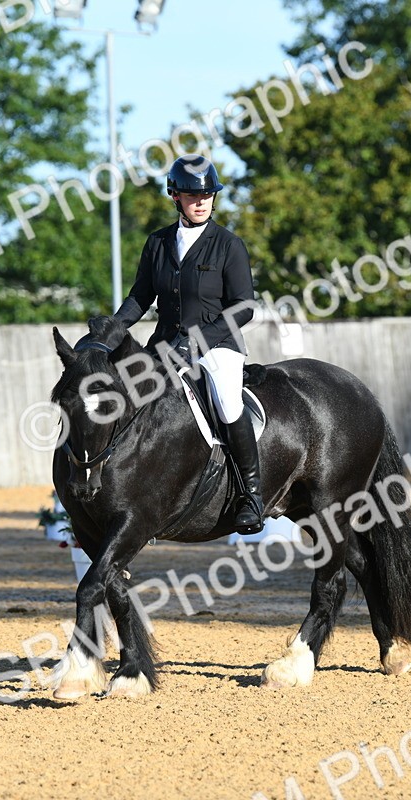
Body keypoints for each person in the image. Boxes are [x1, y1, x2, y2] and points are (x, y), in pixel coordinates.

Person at [112, 154, 264, 534]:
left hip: (217, 345)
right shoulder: (158, 243)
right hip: (164, 345)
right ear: (175, 197)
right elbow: (140, 297)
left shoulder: (228, 245)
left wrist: (196, 342)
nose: (201, 202)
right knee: (127, 397)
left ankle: (251, 495)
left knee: (228, 403)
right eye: (192, 196)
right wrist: (111, 331)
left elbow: (244, 306)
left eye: (208, 196)